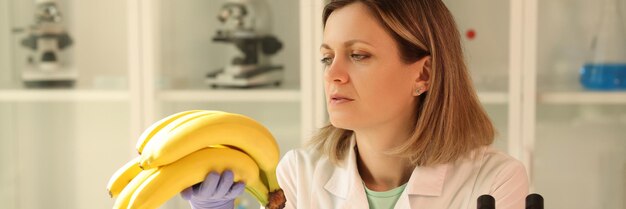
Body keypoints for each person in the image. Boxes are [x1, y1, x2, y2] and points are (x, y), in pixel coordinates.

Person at [181, 0, 529, 208]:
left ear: (424, 74)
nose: (334, 74)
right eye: (326, 57)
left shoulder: (494, 181)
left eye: (359, 55)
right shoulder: (300, 176)